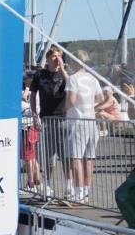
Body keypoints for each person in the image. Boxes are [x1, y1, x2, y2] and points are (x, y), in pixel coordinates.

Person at [64, 50, 105, 204]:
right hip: (91, 122)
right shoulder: (93, 79)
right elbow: (101, 98)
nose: (70, 64)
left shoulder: (73, 79)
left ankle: (79, 192)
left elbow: (72, 99)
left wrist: (65, 109)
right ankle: (86, 192)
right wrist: (91, 107)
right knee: (89, 158)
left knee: (76, 158)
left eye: (71, 61)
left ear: (76, 62)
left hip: (77, 121)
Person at [29, 47, 69, 197]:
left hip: (63, 119)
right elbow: (33, 95)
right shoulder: (40, 74)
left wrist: (63, 69)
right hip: (46, 118)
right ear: (48, 58)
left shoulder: (63, 74)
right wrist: (34, 114)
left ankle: (69, 185)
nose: (57, 59)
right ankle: (47, 184)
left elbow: (72, 87)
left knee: (66, 155)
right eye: (54, 57)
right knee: (47, 155)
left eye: (59, 56)